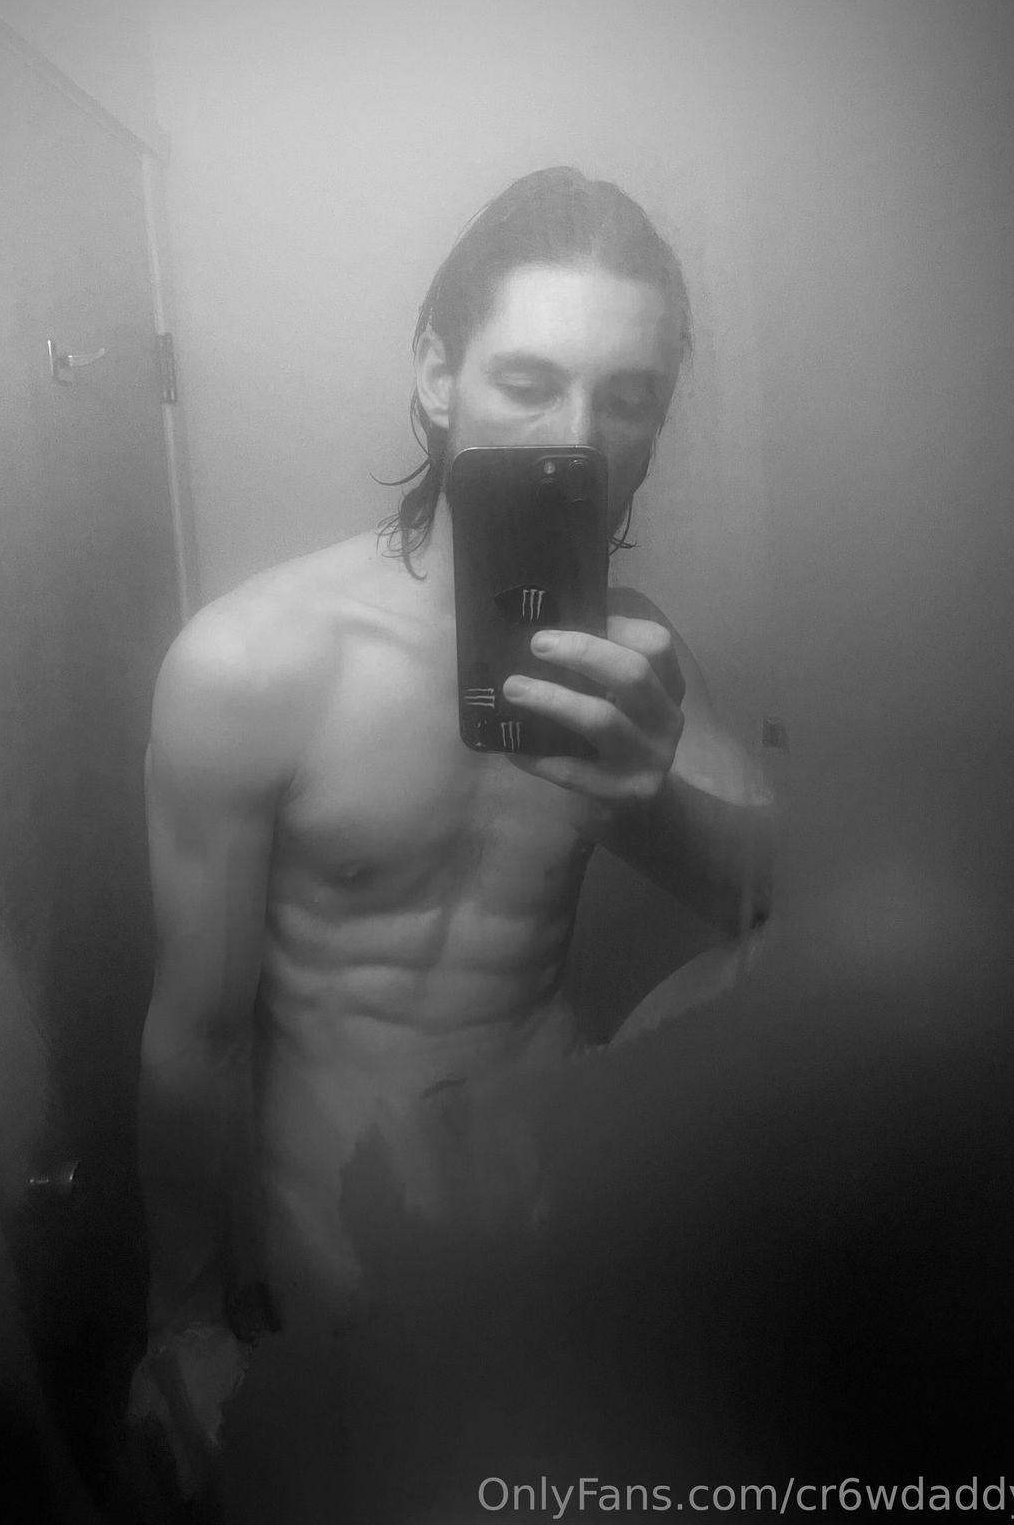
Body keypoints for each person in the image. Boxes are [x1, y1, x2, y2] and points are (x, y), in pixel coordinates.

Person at [126, 166, 776, 1496]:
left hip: (558, 1250)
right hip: (342, 1275)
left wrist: (650, 791)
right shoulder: (255, 664)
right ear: (437, 375)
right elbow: (196, 1034)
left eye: (627, 397)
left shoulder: (641, 665)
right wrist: (181, 1320)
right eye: (529, 381)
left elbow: (789, 931)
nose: (576, 441)